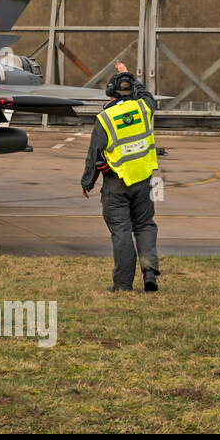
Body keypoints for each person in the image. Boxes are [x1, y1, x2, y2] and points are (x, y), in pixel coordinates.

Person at [81, 61, 161, 292]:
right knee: (145, 224)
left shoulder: (105, 119)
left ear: (110, 93)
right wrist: (127, 74)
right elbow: (147, 95)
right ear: (133, 90)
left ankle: (123, 285)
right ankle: (149, 271)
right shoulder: (143, 108)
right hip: (143, 179)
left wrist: (87, 182)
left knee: (122, 231)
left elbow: (94, 153)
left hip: (117, 184)